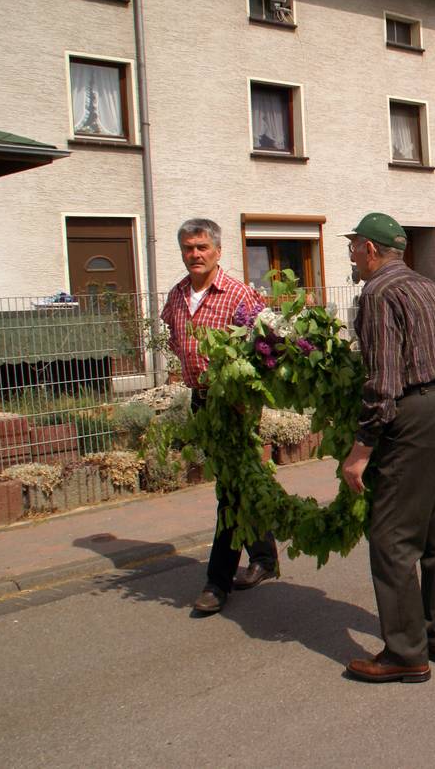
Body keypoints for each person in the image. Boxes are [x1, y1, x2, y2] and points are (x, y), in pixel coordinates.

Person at [341, 212, 435, 683]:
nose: (352, 255)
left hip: (419, 412)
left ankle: (405, 653)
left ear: (370, 249)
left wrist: (361, 450)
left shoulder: (378, 292)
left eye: (354, 246)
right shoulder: (427, 286)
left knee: (392, 536)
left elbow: (383, 380)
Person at [161, 218, 278, 616]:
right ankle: (264, 556)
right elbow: (176, 341)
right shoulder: (177, 296)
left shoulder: (239, 294)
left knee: (229, 492)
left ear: (217, 251)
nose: (195, 254)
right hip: (202, 402)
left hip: (235, 404)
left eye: (202, 247)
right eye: (188, 248)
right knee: (239, 484)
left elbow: (267, 347)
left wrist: (246, 395)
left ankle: (217, 581)